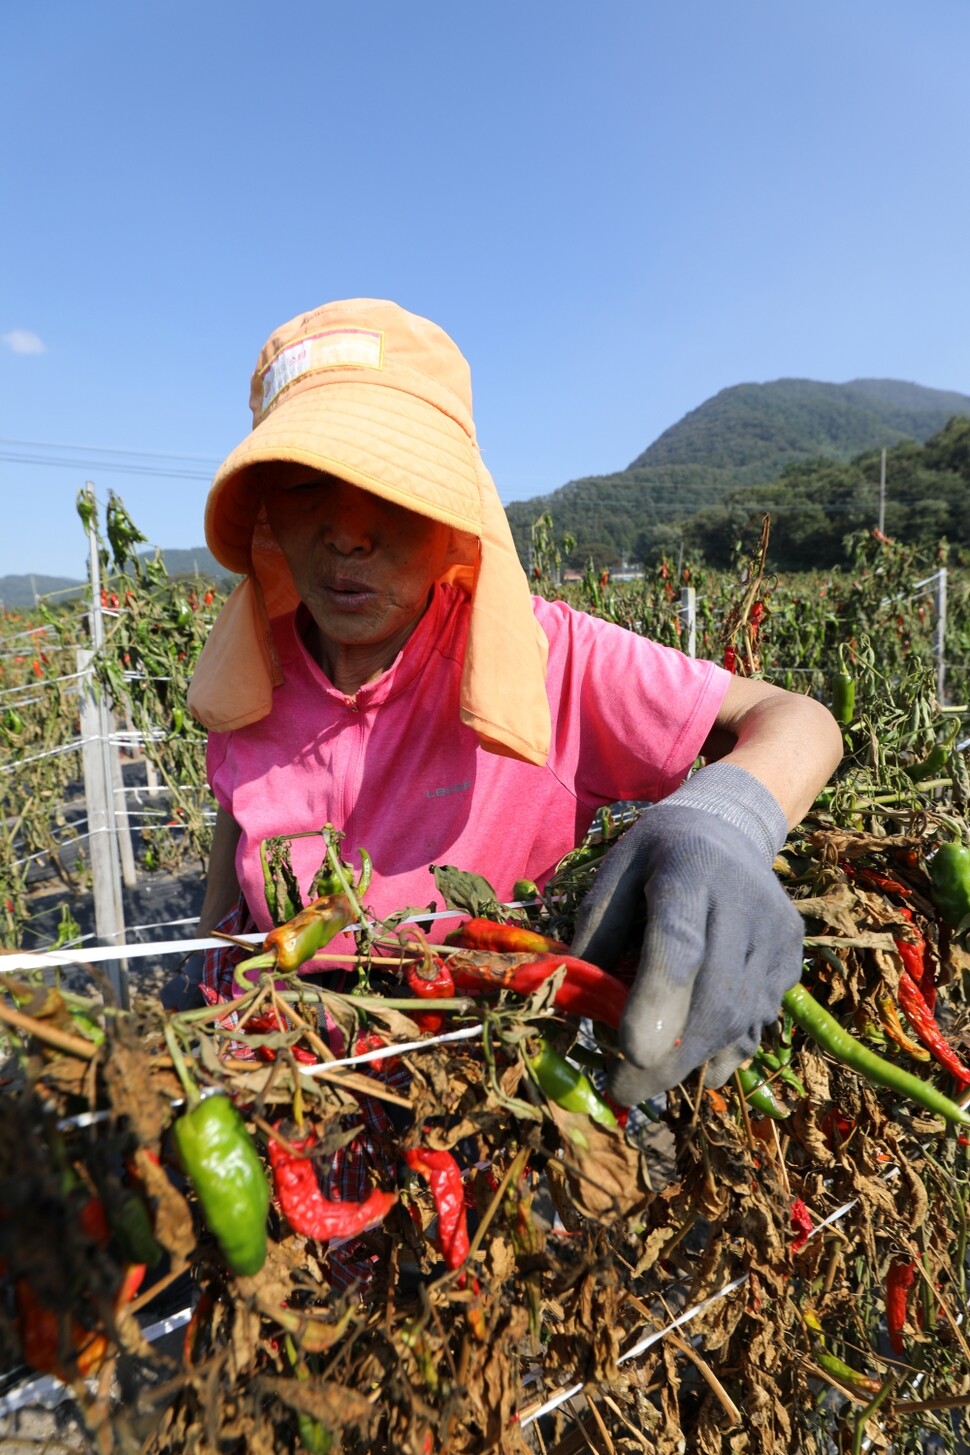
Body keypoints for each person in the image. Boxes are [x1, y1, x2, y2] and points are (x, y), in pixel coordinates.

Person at [180, 297, 842, 1108]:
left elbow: (799, 720)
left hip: (485, 1111)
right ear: (267, 511)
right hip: (285, 1098)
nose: (348, 534)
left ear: (456, 513)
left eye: (392, 485)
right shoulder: (252, 675)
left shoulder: (547, 658)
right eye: (309, 483)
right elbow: (226, 916)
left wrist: (726, 818)